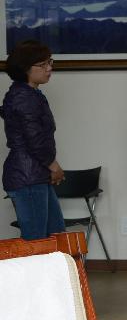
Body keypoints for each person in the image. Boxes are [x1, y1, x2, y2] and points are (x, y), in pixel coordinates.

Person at [1, 40, 66, 240]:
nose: (49, 68)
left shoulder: (28, 94)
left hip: (34, 175)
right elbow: (35, 139)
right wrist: (54, 165)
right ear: (25, 69)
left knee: (54, 238)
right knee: (37, 242)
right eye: (43, 64)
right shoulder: (24, 97)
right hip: (27, 176)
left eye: (50, 62)